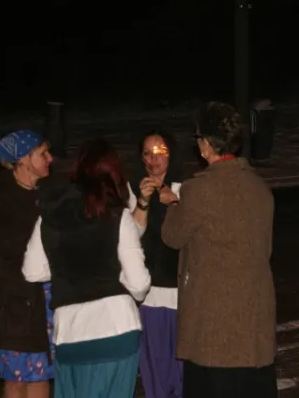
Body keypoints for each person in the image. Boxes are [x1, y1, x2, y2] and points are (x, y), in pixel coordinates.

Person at [161, 102, 277, 398]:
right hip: (254, 324)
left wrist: (172, 204)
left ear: (205, 145)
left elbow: (172, 237)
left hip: (214, 325)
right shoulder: (260, 189)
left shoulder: (198, 190)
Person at [22, 138, 151, 398]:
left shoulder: (50, 216)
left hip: (70, 334)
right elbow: (138, 283)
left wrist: (65, 269)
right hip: (116, 329)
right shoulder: (117, 215)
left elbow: (33, 271)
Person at [0, 130, 55, 398]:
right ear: (23, 159)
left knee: (39, 375)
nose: (50, 159)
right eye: (43, 153)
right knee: (18, 378)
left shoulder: (46, 194)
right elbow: (7, 247)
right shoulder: (0, 199)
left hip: (42, 298)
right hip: (14, 303)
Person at [129, 130, 184, 398]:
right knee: (155, 371)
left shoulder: (185, 188)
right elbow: (130, 237)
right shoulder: (133, 189)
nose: (154, 159)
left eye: (160, 152)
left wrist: (173, 201)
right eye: (148, 153)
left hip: (181, 295)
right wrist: (143, 201)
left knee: (182, 372)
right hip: (150, 296)